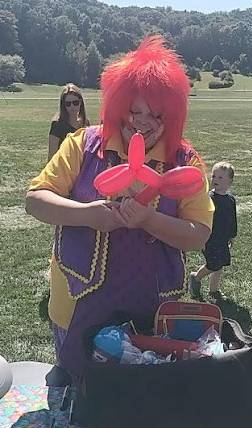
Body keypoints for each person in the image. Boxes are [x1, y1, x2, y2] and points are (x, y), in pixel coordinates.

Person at [26, 36, 214, 379]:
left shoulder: (185, 162)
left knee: (140, 398)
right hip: (77, 303)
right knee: (76, 392)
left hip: (151, 310)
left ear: (172, 115)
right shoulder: (83, 144)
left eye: (157, 114)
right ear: (117, 105)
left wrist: (149, 219)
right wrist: (87, 215)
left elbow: (199, 235)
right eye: (134, 110)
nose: (143, 122)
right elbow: (35, 200)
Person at [188, 161, 237, 301]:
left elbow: (232, 219)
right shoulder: (209, 198)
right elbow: (200, 216)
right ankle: (196, 277)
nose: (215, 179)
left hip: (222, 238)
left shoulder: (230, 200)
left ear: (230, 181)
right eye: (214, 176)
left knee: (219, 265)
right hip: (209, 237)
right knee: (213, 264)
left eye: (220, 177)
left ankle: (214, 290)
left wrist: (232, 236)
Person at [48, 83, 90, 161]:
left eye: (75, 103)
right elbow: (51, 157)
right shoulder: (57, 125)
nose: (72, 107)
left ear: (81, 102)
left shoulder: (85, 123)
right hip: (64, 169)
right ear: (63, 105)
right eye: (68, 104)